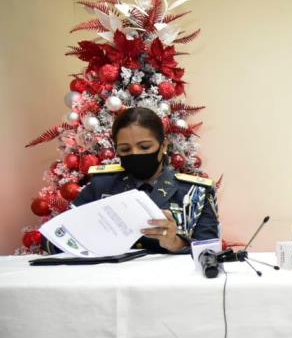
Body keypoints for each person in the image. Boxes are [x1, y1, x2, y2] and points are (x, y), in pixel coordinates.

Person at [71, 107, 220, 253]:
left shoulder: (195, 191)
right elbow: (60, 237)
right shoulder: (101, 186)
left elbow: (209, 251)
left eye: (144, 147)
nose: (135, 154)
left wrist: (177, 243)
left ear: (163, 146)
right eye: (125, 149)